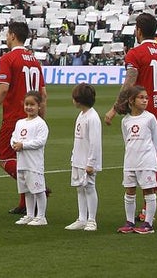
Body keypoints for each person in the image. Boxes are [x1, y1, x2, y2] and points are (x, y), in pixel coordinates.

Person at [103, 12, 157, 228]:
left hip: (144, 116)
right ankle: (148, 210)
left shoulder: (136, 53)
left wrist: (114, 109)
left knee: (146, 166)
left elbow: (129, 82)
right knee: (152, 163)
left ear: (138, 31)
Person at [0, 21, 48, 215]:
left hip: (14, 116)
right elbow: (43, 94)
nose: (6, 37)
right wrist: (41, 118)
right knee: (22, 155)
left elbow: (4, 88)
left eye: (7, 34)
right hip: (33, 116)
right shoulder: (34, 60)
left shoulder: (8, 58)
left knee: (4, 158)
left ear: (12, 36)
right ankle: (25, 202)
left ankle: (37, 186)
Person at [116, 85, 157, 234]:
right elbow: (126, 140)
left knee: (148, 190)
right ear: (131, 100)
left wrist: (150, 157)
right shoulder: (125, 121)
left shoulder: (150, 118)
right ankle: (129, 222)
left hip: (146, 161)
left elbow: (156, 141)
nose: (145, 100)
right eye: (141, 97)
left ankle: (148, 224)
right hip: (130, 161)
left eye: (146, 98)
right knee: (129, 191)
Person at [66, 83, 102, 231]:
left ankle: (92, 220)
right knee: (80, 188)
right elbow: (78, 139)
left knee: (89, 188)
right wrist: (74, 157)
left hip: (88, 161)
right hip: (78, 159)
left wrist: (91, 163)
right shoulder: (81, 115)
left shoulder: (92, 118)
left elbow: (95, 142)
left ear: (79, 99)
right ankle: (82, 218)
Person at [11, 91, 49, 226]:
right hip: (22, 163)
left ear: (39, 106)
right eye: (26, 104)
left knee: (38, 190)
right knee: (26, 191)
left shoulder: (40, 124)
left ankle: (41, 217)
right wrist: (14, 144)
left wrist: (23, 145)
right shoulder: (20, 123)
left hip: (34, 164)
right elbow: (14, 137)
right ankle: (29, 215)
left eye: (32, 105)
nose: (29, 107)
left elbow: (40, 141)